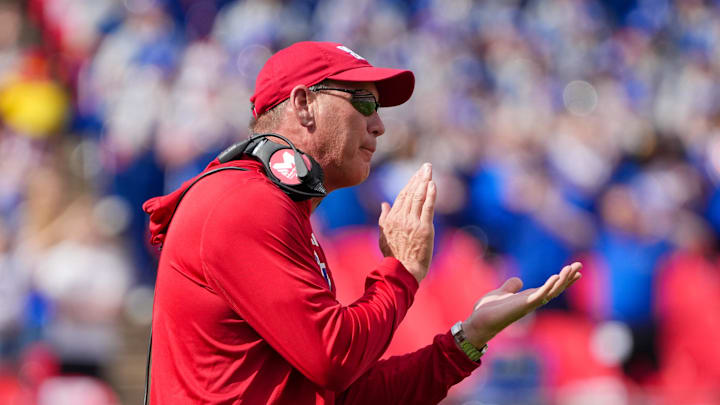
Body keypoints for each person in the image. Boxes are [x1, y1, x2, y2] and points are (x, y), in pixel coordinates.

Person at [142, 41, 582, 404]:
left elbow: (343, 394)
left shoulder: (270, 204)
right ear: (303, 104)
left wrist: (468, 337)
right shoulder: (244, 203)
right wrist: (401, 273)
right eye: (364, 101)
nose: (379, 125)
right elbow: (333, 359)